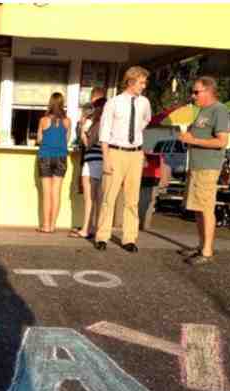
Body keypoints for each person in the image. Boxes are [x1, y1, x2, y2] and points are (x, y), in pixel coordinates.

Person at [94, 66, 152, 252]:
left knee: (132, 199)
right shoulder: (114, 102)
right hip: (115, 152)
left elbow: (145, 121)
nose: (144, 86)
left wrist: (136, 140)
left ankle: (129, 238)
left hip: (135, 153)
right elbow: (104, 131)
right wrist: (106, 157)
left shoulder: (144, 102)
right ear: (130, 81)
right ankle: (102, 236)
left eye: (144, 82)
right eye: (141, 82)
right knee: (109, 197)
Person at [178, 76, 230, 265]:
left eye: (196, 92)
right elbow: (196, 134)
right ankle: (202, 245)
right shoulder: (202, 111)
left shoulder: (220, 110)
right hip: (196, 165)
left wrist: (193, 140)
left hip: (208, 167)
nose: (193, 95)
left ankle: (207, 251)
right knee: (198, 208)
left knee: (206, 208)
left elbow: (222, 141)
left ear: (209, 91)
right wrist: (186, 135)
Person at [36, 92, 71, 233]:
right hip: (61, 157)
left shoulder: (43, 120)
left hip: (45, 156)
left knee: (46, 193)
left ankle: (45, 226)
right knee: (56, 193)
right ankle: (52, 226)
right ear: (62, 104)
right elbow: (67, 140)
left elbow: (39, 140)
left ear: (50, 103)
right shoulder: (67, 121)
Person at [71, 96, 106, 239]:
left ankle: (87, 229)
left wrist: (83, 130)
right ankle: (93, 228)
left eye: (94, 108)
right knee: (95, 198)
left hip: (93, 161)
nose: (92, 111)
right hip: (96, 161)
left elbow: (87, 143)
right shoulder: (102, 123)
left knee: (90, 198)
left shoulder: (99, 124)